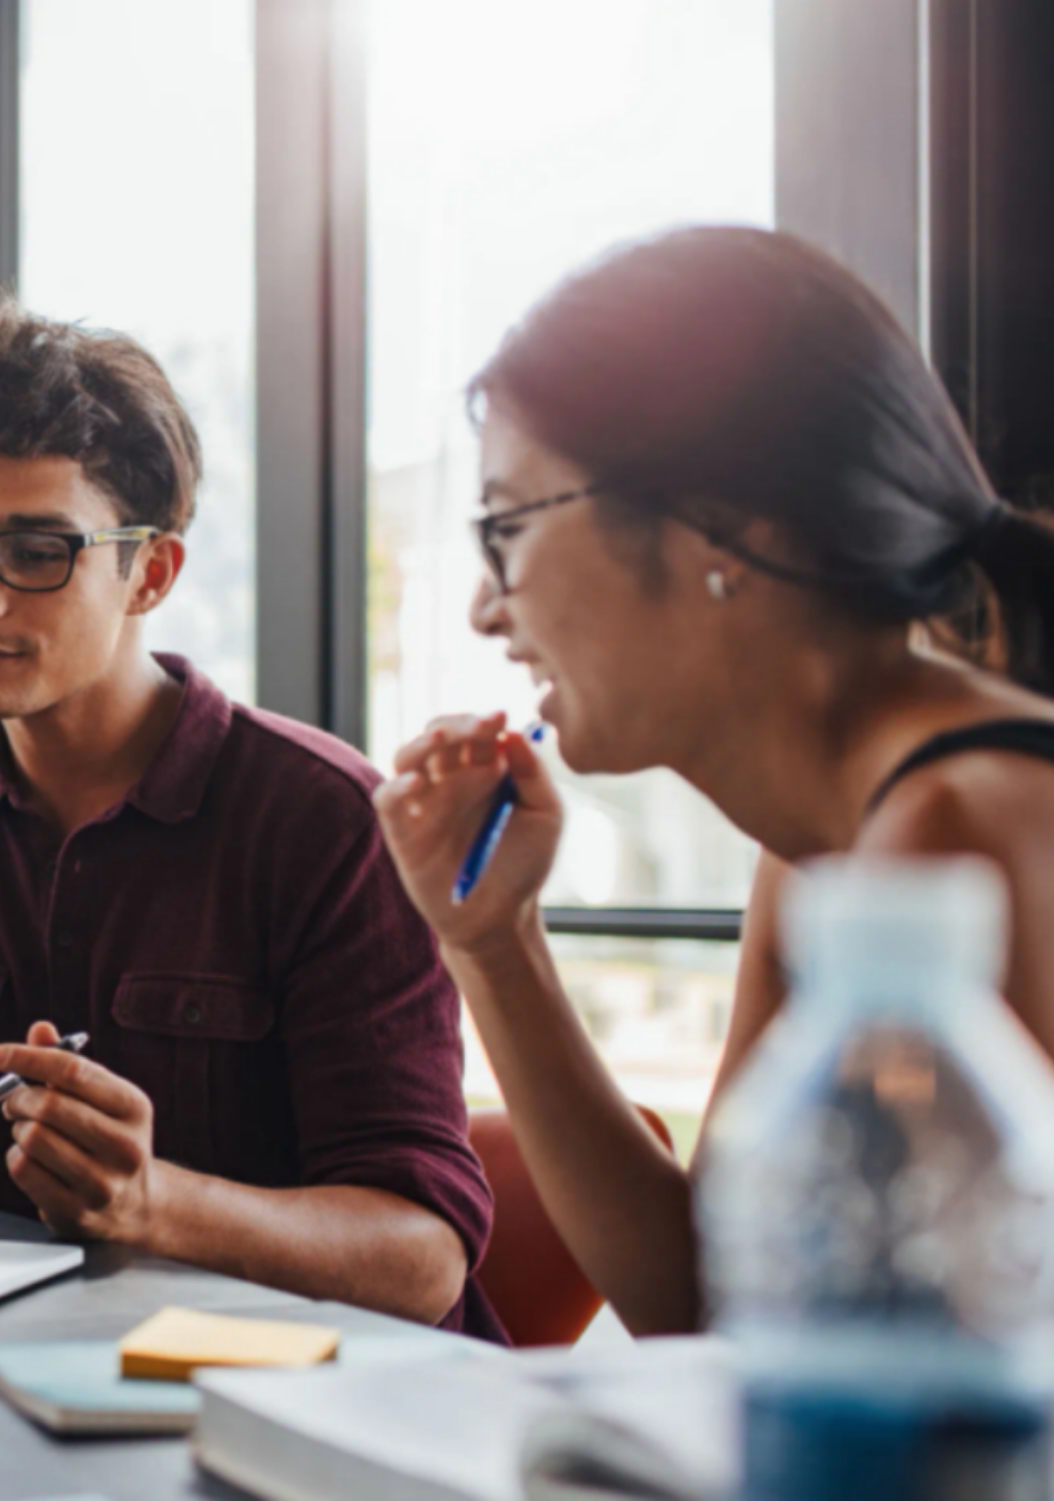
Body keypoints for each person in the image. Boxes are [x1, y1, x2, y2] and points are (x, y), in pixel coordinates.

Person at [372, 226, 1054, 1337]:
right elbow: (706, 1304)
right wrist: (489, 941)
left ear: (718, 529)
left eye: (507, 529)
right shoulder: (825, 841)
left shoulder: (957, 825)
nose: (486, 609)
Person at [0, 303, 502, 1338]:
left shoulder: (326, 822)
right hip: (4, 1398)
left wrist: (157, 1205)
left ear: (151, 572)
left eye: (35, 551)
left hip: (318, 1411)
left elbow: (423, 1258)